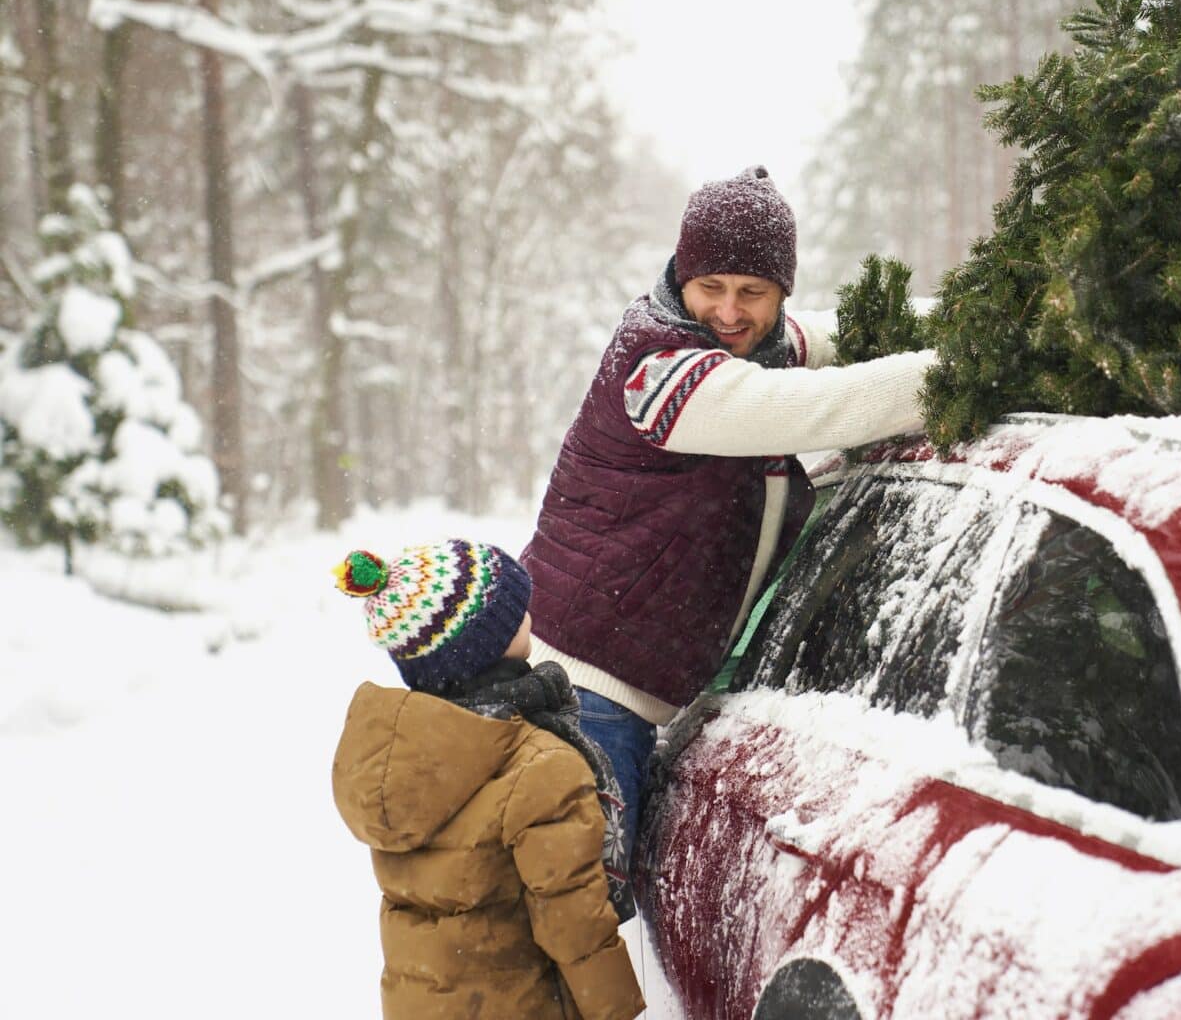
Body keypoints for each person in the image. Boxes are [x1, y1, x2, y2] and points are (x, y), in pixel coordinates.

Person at [521, 165, 937, 856]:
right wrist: (963, 368)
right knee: (575, 919)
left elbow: (850, 333)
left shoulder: (747, 345)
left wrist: (984, 310)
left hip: (616, 691)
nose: (731, 311)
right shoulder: (660, 369)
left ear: (780, 294)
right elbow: (824, 408)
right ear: (680, 279)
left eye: (754, 292)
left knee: (579, 919)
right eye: (710, 288)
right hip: (585, 697)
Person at [330, 539, 644, 1020]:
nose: (529, 616)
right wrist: (616, 1008)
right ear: (484, 646)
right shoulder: (540, 766)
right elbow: (574, 920)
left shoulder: (412, 756)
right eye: (516, 612)